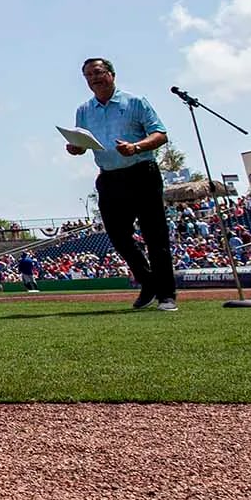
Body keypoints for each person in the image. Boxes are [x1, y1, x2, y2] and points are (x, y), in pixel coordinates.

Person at [69, 57, 178, 311]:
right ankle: (148, 280)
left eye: (97, 72)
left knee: (155, 235)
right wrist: (76, 148)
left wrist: (136, 146)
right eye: (88, 75)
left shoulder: (135, 102)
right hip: (109, 177)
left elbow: (160, 134)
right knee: (117, 236)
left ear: (111, 74)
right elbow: (83, 144)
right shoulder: (84, 111)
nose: (93, 78)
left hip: (142, 172)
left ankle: (166, 294)